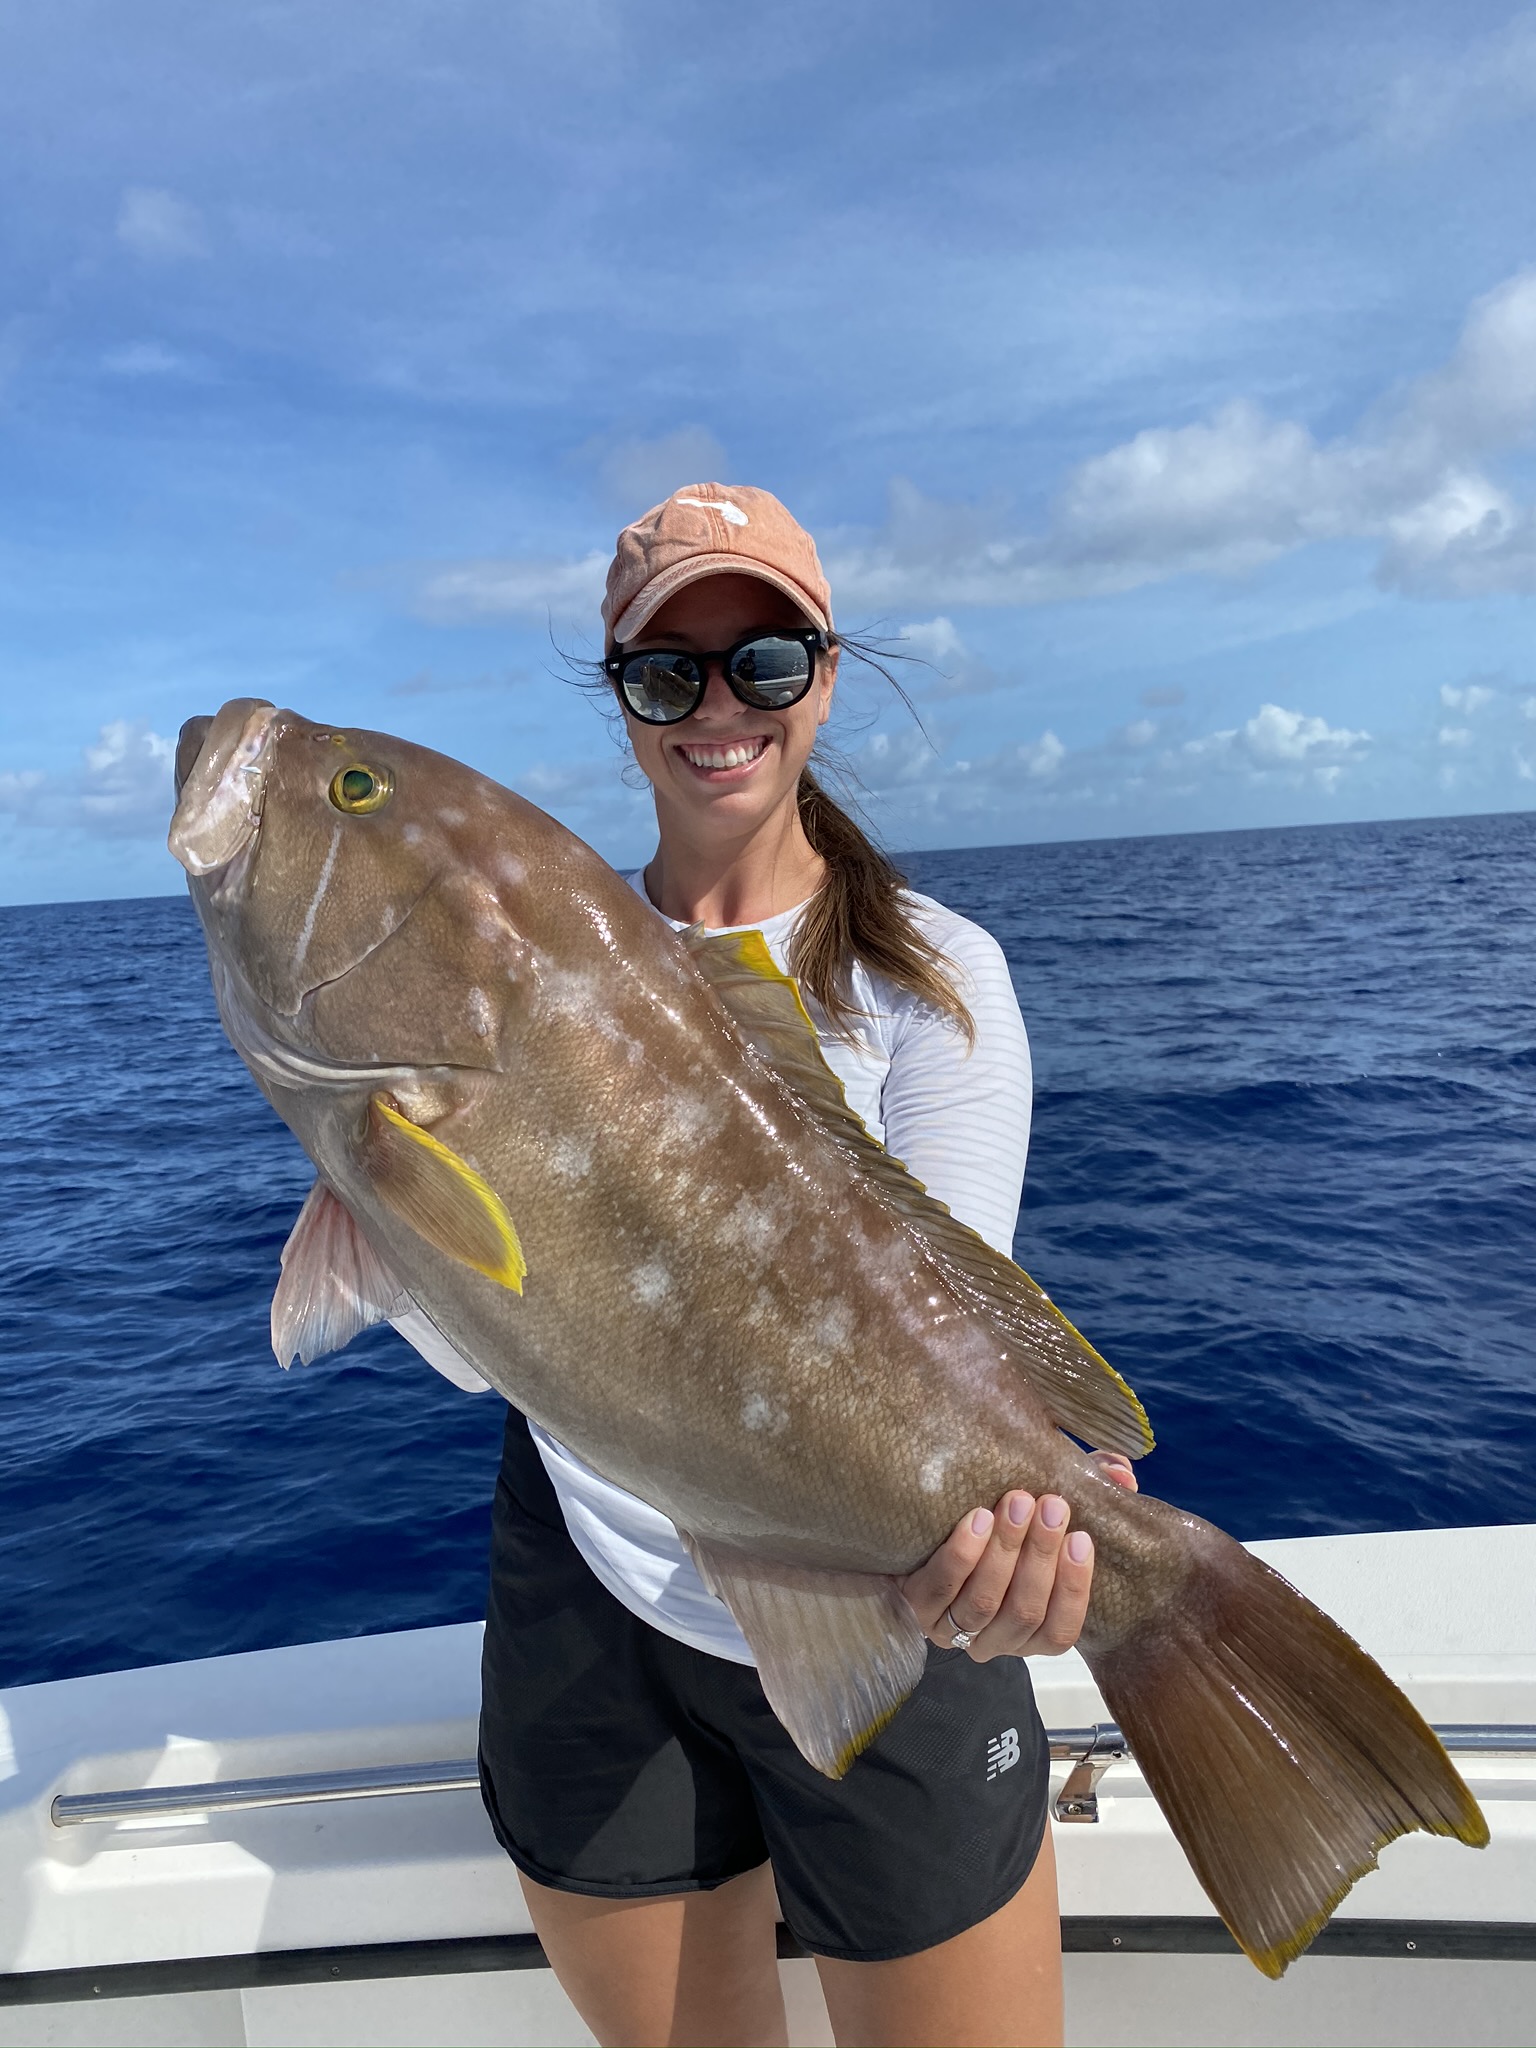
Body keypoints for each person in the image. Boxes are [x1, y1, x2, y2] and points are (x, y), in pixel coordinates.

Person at [477, 484, 1137, 2048]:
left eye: (764, 661)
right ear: (622, 700)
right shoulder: (529, 967)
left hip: (888, 1598)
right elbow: (464, 1345)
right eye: (667, 672)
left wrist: (1041, 1510)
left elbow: (950, 1322)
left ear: (826, 675)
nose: (720, 708)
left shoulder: (932, 969)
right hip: (594, 1586)